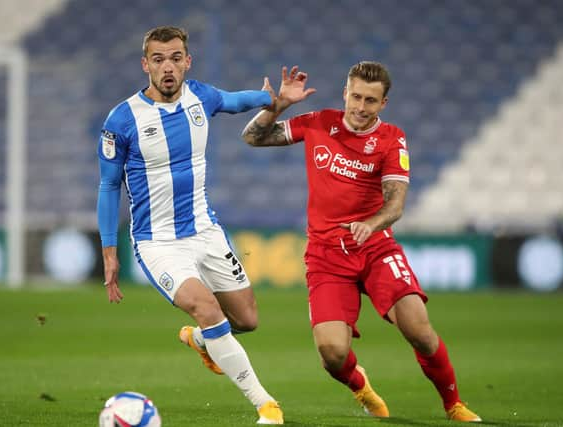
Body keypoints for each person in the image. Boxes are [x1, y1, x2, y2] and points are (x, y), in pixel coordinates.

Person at [241, 63, 481, 422]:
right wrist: (279, 105)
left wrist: (371, 224)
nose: (361, 106)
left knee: (419, 330)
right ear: (345, 93)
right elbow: (252, 138)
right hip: (325, 255)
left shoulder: (392, 139)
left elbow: (396, 203)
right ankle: (361, 387)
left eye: (371, 100)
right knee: (332, 354)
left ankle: (453, 404)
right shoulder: (319, 122)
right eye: (356, 96)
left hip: (375, 248)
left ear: (383, 103)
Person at [97, 26, 284, 425]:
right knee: (206, 306)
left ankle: (199, 339)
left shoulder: (201, 95)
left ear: (188, 61)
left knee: (247, 320)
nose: (168, 66)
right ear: (145, 64)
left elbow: (236, 101)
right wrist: (109, 252)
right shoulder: (122, 119)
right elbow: (108, 185)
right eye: (159, 59)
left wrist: (273, 98)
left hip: (206, 230)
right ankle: (266, 404)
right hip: (157, 242)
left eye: (176, 57)